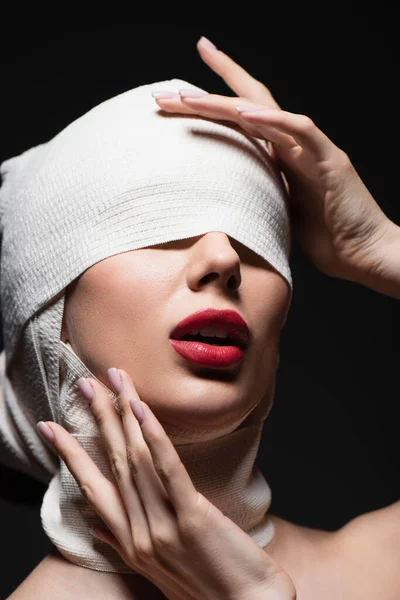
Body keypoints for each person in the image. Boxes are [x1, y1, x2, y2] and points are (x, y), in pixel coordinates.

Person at [2, 36, 399, 599]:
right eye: (154, 222)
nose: (224, 259)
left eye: (256, 234)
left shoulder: (380, 568)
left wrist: (380, 247)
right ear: (48, 317)